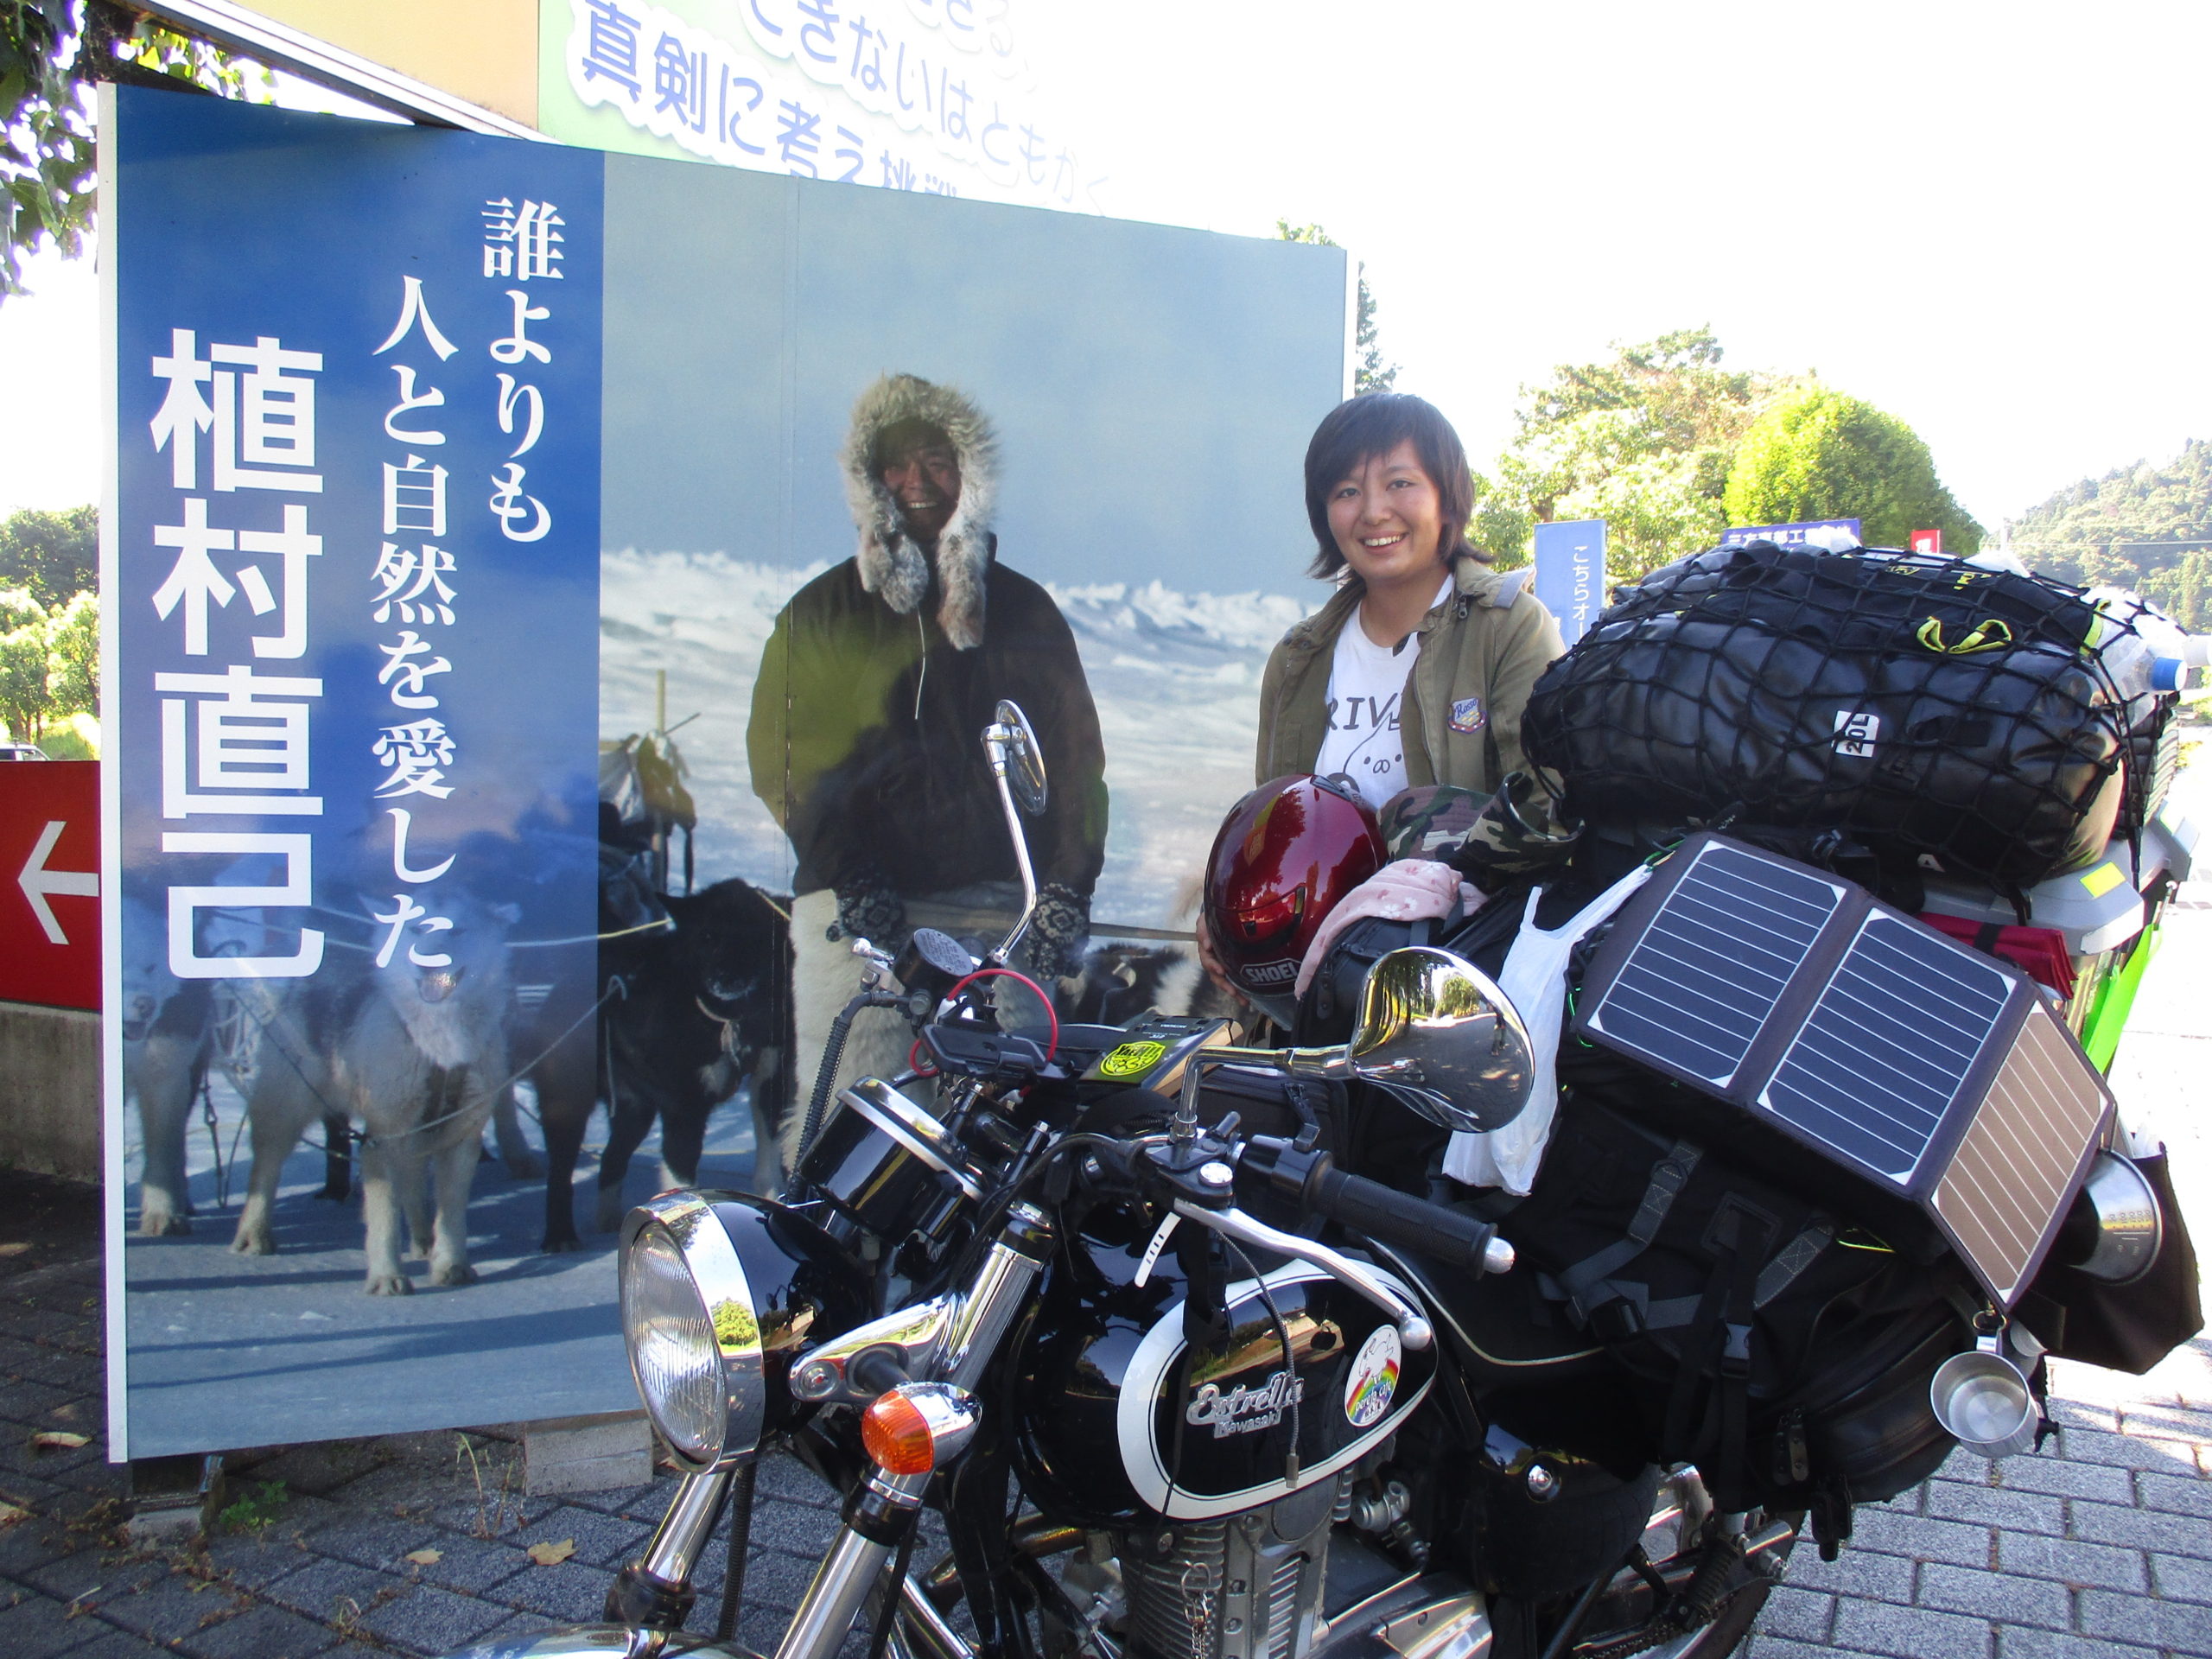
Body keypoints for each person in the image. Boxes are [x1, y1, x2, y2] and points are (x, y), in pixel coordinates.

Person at [749, 373, 1108, 1146]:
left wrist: (1065, 893)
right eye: (896, 464)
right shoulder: (820, 614)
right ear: (869, 481)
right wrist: (853, 876)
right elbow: (784, 761)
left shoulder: (1025, 614)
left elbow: (1078, 769)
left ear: (968, 475)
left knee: (1000, 1137)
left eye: (937, 460)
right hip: (855, 917)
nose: (916, 482)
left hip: (998, 916)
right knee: (849, 1133)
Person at [1200, 391, 1567, 1001]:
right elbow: (1271, 828)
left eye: (1400, 483)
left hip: (1455, 993)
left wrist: (1416, 840)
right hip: (1316, 1002)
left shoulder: (1509, 628)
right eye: (1346, 491)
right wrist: (1230, 920)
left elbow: (1549, 813)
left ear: (1447, 496)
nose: (1373, 512)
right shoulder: (1299, 658)